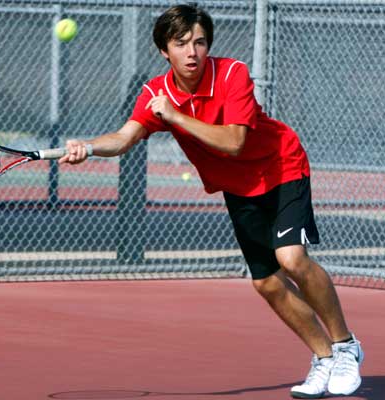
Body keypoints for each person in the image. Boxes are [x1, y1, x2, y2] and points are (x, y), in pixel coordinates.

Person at [59, 4, 364, 398]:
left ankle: (344, 346)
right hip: (239, 187)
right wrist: (87, 147)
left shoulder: (232, 74)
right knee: (267, 284)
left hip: (281, 167)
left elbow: (234, 142)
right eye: (181, 43)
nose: (192, 52)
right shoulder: (156, 92)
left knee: (291, 258)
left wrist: (175, 116)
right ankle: (323, 359)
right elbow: (123, 138)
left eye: (200, 42)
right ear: (164, 51)